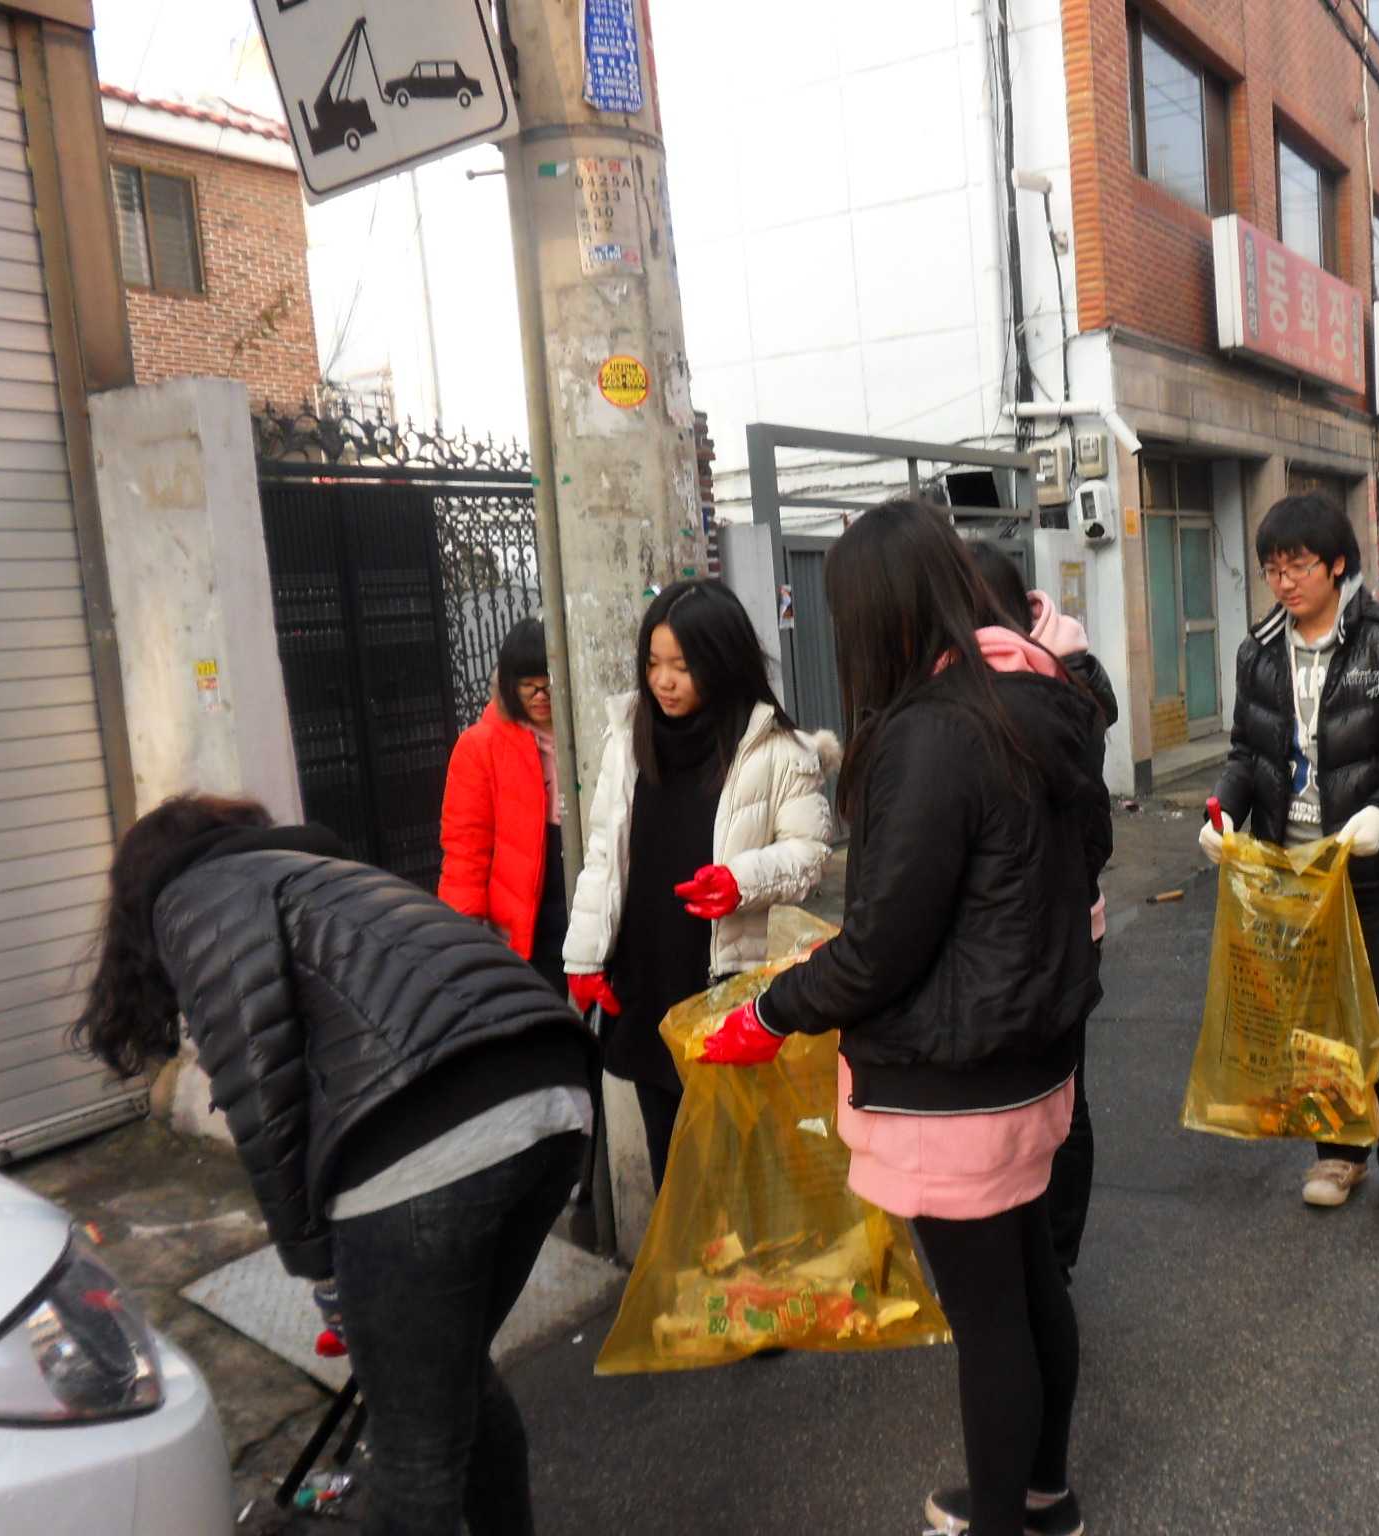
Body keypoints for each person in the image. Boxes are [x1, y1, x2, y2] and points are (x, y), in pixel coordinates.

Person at [697, 501, 1110, 1536]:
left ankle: (1004, 1523)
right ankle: (1041, 1493)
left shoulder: (929, 734)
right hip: (1029, 1051)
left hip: (952, 1075)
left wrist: (774, 1007)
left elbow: (884, 947)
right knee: (1026, 1284)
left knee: (990, 1320)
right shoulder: (1035, 700)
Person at [75, 795, 594, 1536]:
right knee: (455, 1381)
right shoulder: (314, 872)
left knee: (414, 1452)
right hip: (555, 1097)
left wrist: (322, 1268)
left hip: (428, 1143)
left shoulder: (193, 899)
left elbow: (259, 1087)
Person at [1202, 492, 1379, 1223]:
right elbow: (1244, 753)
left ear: (1338, 564)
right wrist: (1222, 809)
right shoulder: (1258, 652)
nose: (1284, 582)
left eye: (1299, 566)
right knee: (1317, 1017)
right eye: (1272, 569)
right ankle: (1339, 1152)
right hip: (1296, 871)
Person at [560, 578, 834, 1204]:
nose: (664, 681)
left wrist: (742, 881)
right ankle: (692, 1294)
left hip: (724, 985)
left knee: (741, 1171)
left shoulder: (778, 749)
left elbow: (811, 853)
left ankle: (748, 1289)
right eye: (654, 664)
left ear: (722, 660)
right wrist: (583, 958)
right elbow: (603, 855)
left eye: (682, 666)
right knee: (675, 1171)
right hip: (644, 978)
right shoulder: (628, 736)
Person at [967, 542, 1115, 1280]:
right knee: (1026, 1104)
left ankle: (1054, 1260)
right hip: (1037, 920)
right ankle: (1031, 1257)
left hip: (1063, 922)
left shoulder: (1065, 677)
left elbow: (1080, 812)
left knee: (1063, 1101)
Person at [439, 618, 570, 995]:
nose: (540, 693)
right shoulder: (480, 746)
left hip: (591, 905)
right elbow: (466, 847)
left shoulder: (591, 732)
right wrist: (461, 933)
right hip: (526, 926)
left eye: (548, 679)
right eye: (527, 683)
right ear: (507, 684)